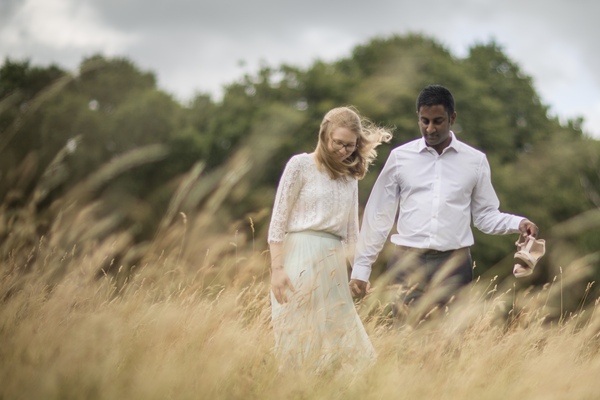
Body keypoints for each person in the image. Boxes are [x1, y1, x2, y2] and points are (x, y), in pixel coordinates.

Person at [349, 85, 539, 320]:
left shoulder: (475, 161)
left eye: (438, 121)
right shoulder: (400, 158)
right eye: (424, 121)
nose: (430, 128)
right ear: (418, 117)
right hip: (406, 264)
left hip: (454, 266)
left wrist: (518, 223)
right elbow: (378, 215)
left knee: (450, 345)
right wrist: (362, 268)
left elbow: (485, 215)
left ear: (452, 118)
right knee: (402, 341)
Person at [268, 106, 392, 372]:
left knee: (347, 349)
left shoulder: (350, 177)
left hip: (333, 263)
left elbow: (351, 233)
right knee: (299, 342)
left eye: (350, 145)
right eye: (338, 143)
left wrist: (359, 273)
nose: (344, 150)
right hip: (297, 258)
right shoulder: (299, 165)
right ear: (324, 136)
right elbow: (278, 222)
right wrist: (276, 269)